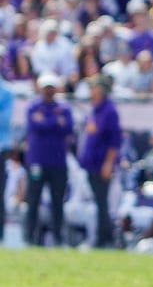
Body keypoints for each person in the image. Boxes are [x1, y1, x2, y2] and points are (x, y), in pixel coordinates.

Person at [24, 74, 74, 246]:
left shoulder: (64, 108)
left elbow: (67, 128)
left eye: (51, 87)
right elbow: (34, 126)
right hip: (37, 161)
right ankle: (30, 238)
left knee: (58, 201)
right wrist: (54, 122)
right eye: (46, 88)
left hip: (58, 162)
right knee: (33, 201)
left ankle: (58, 238)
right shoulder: (33, 107)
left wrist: (45, 121)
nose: (49, 91)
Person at [77, 73, 123, 248]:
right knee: (99, 202)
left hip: (101, 164)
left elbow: (114, 141)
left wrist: (108, 163)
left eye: (94, 87)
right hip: (91, 164)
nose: (91, 90)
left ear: (102, 89)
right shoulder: (95, 109)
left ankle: (105, 239)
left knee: (102, 203)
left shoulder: (109, 111)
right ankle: (103, 237)